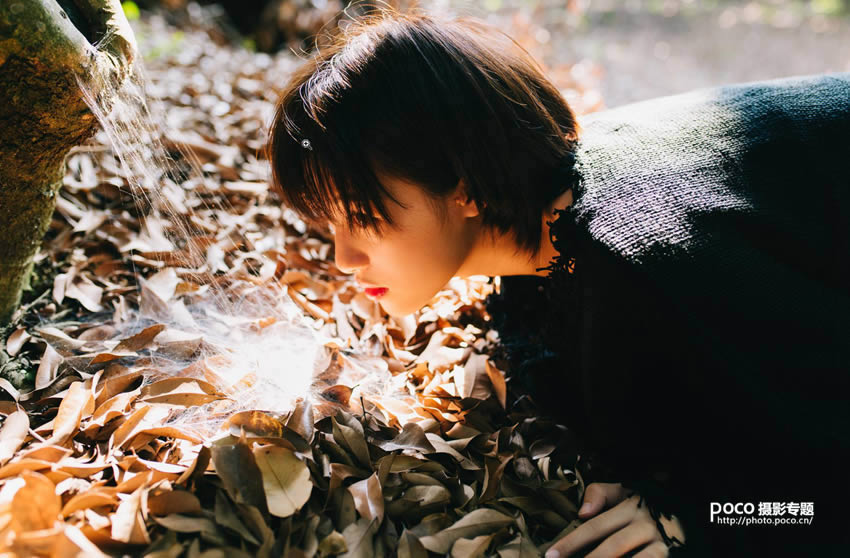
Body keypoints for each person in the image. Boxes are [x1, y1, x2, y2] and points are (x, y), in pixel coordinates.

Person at [266, 8, 850, 557]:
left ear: (465, 187)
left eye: (363, 217)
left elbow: (820, 487)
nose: (343, 258)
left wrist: (707, 517)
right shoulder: (551, 222)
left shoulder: (644, 258)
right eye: (330, 223)